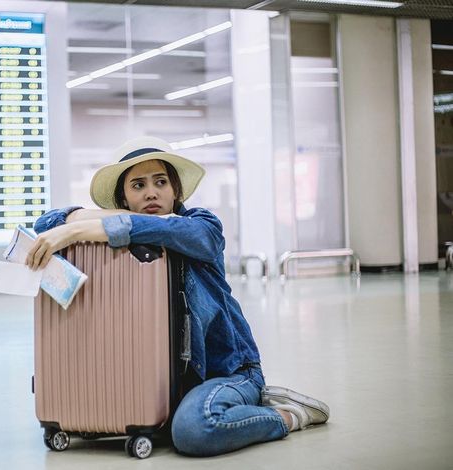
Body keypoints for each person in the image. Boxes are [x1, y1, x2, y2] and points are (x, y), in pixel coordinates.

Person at [25, 137, 330, 457]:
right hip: (159, 378)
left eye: (160, 182)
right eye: (138, 185)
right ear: (123, 199)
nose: (151, 192)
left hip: (225, 372)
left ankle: (285, 414)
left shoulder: (202, 225)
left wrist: (75, 231)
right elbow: (46, 223)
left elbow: (173, 232)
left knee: (193, 429)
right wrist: (105, 220)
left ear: (176, 190)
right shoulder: (122, 238)